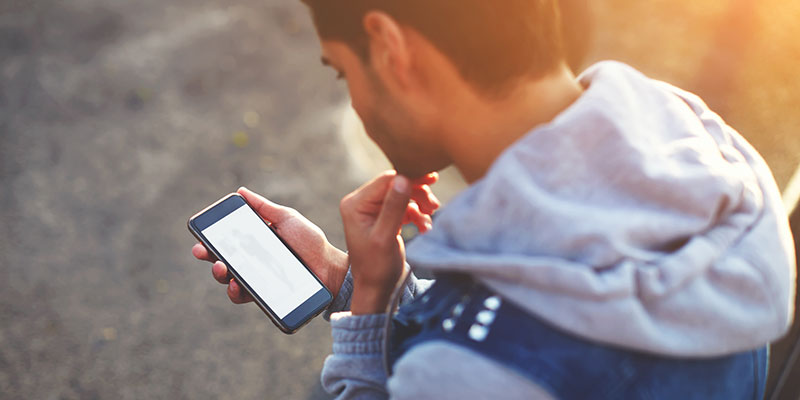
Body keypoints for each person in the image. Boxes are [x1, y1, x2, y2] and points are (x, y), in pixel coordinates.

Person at [192, 1, 797, 398]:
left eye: (343, 73)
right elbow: (554, 307)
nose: (354, 99)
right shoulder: (702, 145)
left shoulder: (467, 374)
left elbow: (488, 355)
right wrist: (345, 277)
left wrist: (369, 311)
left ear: (391, 49)